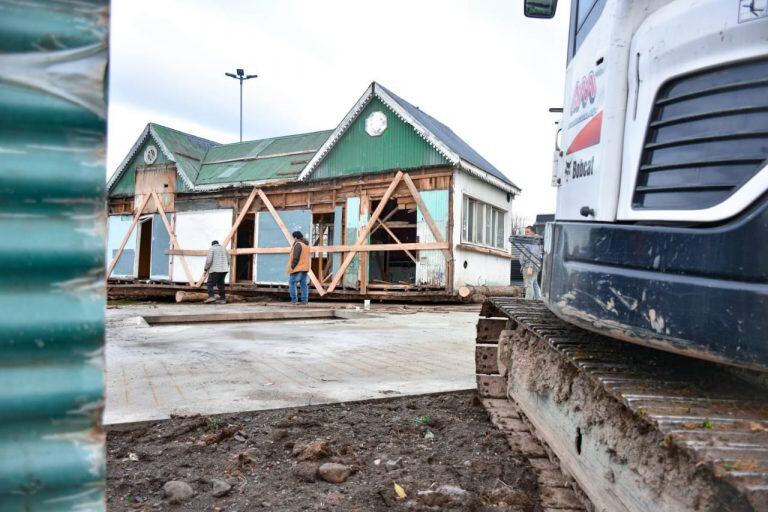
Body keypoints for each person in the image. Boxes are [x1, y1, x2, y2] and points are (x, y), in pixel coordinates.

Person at [286, 231, 310, 305]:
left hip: (298, 268)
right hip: (305, 268)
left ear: (296, 237)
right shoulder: (306, 245)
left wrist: (292, 266)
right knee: (304, 284)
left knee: (292, 283)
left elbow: (296, 257)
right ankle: (304, 301)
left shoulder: (298, 245)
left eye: (294, 238)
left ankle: (294, 300)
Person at [520, 226, 542, 300]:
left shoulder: (534, 241)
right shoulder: (531, 241)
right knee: (534, 283)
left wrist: (530, 266)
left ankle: (528, 301)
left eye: (527, 232)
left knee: (529, 283)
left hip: (530, 266)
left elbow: (534, 255)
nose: (526, 234)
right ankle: (538, 299)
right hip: (530, 265)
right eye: (525, 232)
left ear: (533, 232)